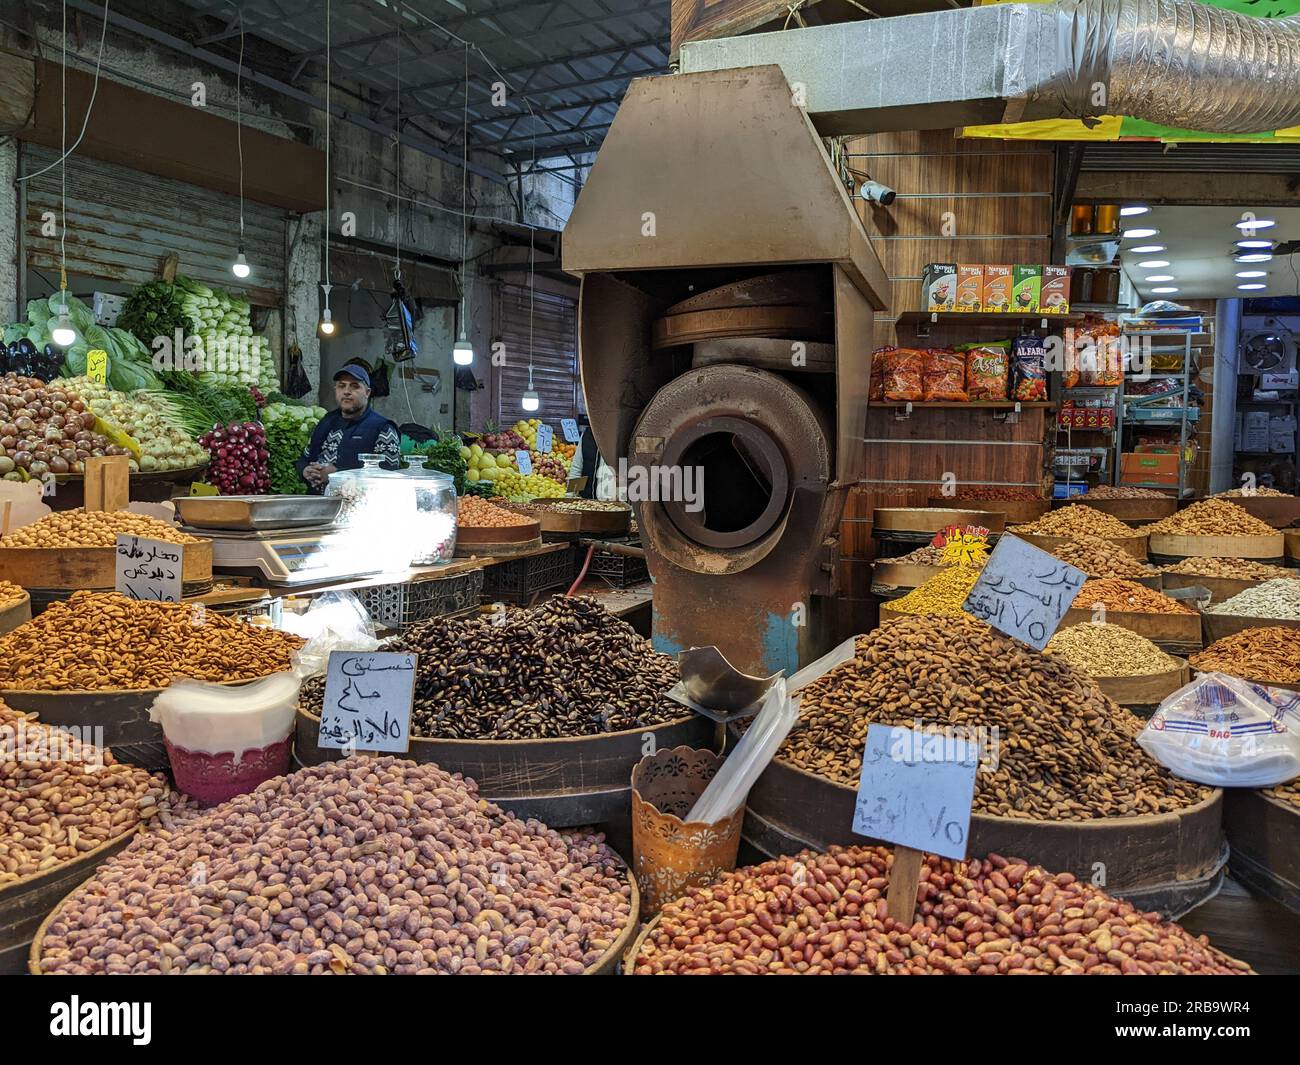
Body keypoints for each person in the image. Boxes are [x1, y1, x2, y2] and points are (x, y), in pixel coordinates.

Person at [296, 364, 401, 493]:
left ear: (367, 392)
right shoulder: (326, 421)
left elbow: (389, 479)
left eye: (354, 386)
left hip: (356, 508)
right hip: (318, 505)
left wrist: (337, 476)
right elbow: (304, 458)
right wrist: (305, 470)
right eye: (341, 386)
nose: (346, 391)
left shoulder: (383, 429)